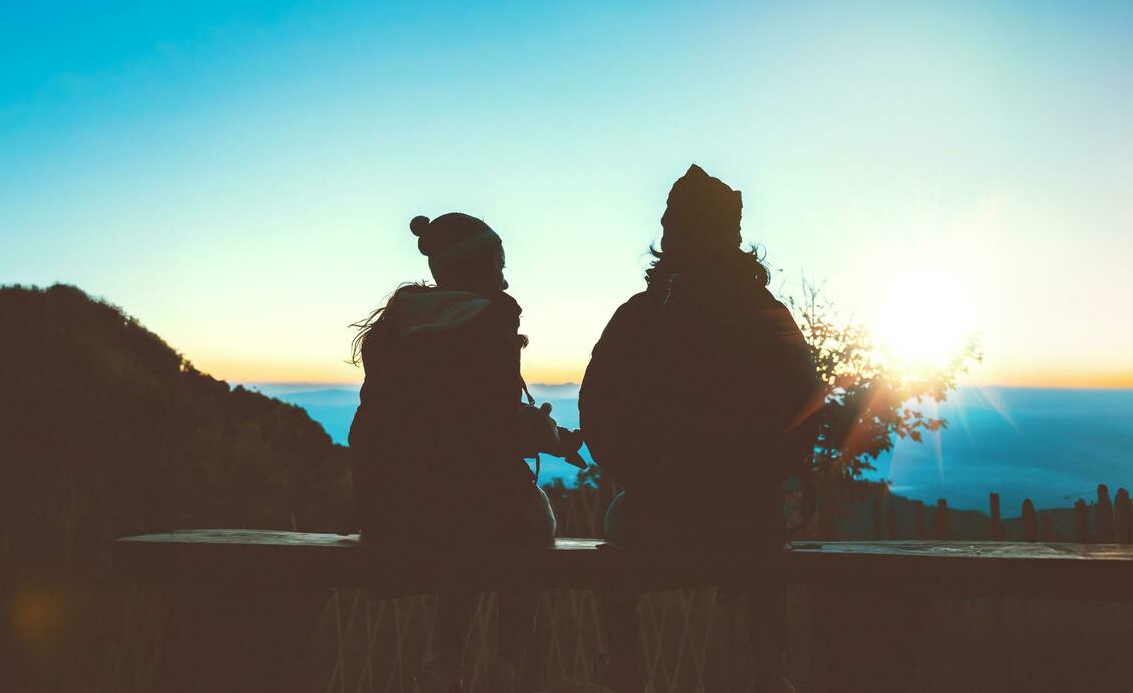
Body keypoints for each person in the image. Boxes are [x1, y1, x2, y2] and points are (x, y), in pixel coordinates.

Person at [579, 165, 824, 693]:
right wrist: (769, 475)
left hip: (655, 514)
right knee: (765, 538)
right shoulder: (768, 313)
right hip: (746, 516)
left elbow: (597, 409)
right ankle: (768, 669)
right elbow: (808, 407)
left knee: (616, 530)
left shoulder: (641, 315)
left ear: (671, 237)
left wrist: (645, 478)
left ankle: (621, 667)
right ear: (732, 238)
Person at [349, 212, 583, 693]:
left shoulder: (397, 325)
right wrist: (553, 438)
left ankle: (444, 660)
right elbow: (493, 424)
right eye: (498, 266)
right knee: (530, 523)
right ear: (475, 269)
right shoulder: (487, 319)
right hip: (468, 512)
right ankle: (510, 660)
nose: (505, 278)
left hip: (391, 511)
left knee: (466, 520)